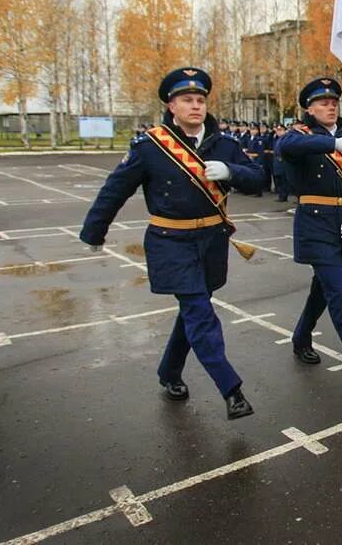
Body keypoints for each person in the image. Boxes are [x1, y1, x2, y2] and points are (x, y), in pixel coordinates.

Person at [79, 67, 264, 419]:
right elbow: (116, 189)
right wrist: (94, 232)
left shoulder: (225, 144)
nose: (195, 106)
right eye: (187, 100)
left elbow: (259, 179)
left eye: (200, 100)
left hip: (211, 240)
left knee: (192, 311)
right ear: (171, 105)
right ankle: (231, 389)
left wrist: (231, 171)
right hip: (171, 241)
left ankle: (169, 372)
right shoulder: (151, 146)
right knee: (198, 311)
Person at [276, 78, 342, 394]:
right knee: (340, 293)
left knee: (322, 290)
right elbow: (286, 148)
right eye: (322, 103)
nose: (330, 106)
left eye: (334, 101)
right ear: (309, 108)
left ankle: (301, 336)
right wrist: (331, 144)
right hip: (315, 226)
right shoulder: (303, 137)